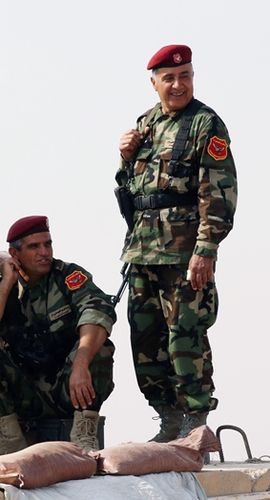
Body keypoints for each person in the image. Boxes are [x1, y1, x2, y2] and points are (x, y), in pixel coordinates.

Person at [116, 44, 237, 441]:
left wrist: (206, 249)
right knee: (145, 339)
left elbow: (219, 193)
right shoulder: (146, 124)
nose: (178, 84)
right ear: (154, 83)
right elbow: (131, 189)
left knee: (185, 337)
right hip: (142, 251)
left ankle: (196, 422)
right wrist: (123, 157)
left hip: (184, 253)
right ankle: (167, 418)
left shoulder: (206, 124)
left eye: (184, 75)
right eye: (169, 78)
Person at [0, 216, 116, 453]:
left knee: (99, 347)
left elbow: (97, 310)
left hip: (70, 387)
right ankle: (9, 436)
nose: (44, 252)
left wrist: (81, 363)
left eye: (48, 244)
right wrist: (6, 284)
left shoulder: (68, 276)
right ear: (14, 254)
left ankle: (84, 432)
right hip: (25, 393)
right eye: (34, 247)